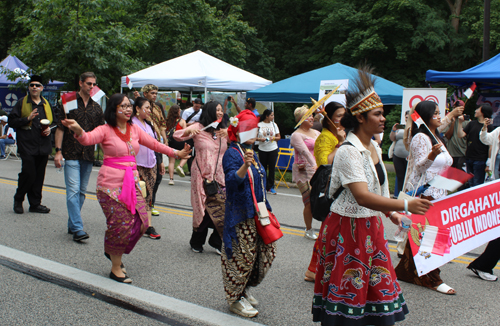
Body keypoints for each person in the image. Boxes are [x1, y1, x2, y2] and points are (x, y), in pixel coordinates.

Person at [312, 66, 432, 325]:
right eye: (378, 114)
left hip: (370, 226)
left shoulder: (375, 147)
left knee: (376, 290)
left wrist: (393, 213)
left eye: (382, 114)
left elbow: (378, 191)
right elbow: (363, 197)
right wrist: (406, 203)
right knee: (348, 293)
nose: (383, 119)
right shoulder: (348, 151)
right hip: (347, 228)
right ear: (361, 118)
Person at [61, 93, 191, 283]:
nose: (128, 109)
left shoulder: (135, 129)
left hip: (132, 183)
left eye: (129, 106)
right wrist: (79, 130)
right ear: (114, 109)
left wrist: (176, 152)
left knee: (143, 223)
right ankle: (115, 266)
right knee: (120, 224)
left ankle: (112, 249)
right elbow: (87, 139)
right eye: (123, 106)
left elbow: (154, 144)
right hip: (109, 185)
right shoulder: (105, 129)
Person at [395, 100, 457, 295]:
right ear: (427, 116)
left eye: (441, 113)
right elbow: (419, 167)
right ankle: (432, 277)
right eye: (436, 113)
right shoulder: (421, 138)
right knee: (429, 236)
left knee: (426, 236)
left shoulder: (436, 136)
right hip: (425, 194)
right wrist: (431, 154)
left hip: (439, 193)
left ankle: (407, 271)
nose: (440, 116)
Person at [221, 109, 276, 318]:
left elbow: (260, 181)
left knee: (266, 253)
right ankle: (235, 298)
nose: (254, 132)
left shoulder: (252, 151)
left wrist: (267, 209)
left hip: (258, 212)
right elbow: (232, 183)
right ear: (239, 131)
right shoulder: (232, 154)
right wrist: (245, 165)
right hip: (240, 214)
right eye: (249, 128)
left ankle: (243, 289)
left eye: (255, 127)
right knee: (242, 257)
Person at [54, 72, 105, 241]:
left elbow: (102, 133)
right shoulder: (68, 101)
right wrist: (58, 151)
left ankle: (72, 223)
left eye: (93, 84)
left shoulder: (96, 107)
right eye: (88, 84)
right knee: (73, 191)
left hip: (88, 154)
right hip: (71, 152)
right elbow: (61, 128)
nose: (91, 87)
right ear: (81, 83)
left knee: (82, 192)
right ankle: (77, 228)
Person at [174, 101, 228, 254]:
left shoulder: (223, 130)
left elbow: (244, 138)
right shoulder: (198, 127)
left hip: (220, 176)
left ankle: (217, 241)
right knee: (202, 209)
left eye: (221, 110)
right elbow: (176, 135)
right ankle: (197, 241)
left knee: (223, 209)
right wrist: (188, 133)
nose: (220, 112)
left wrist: (229, 132)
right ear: (210, 111)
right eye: (217, 110)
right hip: (202, 175)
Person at [304, 101, 345, 282]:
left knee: (333, 232)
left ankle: (326, 268)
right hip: (331, 189)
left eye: (344, 115)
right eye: (338, 116)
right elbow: (324, 164)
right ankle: (314, 269)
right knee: (328, 231)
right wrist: (341, 145)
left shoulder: (340, 134)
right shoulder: (325, 137)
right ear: (329, 118)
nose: (342, 119)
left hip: (343, 186)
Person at [9, 75, 56, 214]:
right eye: (32, 85)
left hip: (43, 145)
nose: (34, 87)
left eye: (37, 85)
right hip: (27, 144)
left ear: (42, 88)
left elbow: (54, 122)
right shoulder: (22, 103)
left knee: (39, 175)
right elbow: (12, 121)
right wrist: (27, 118)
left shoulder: (46, 104)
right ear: (29, 88)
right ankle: (18, 199)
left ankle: (35, 204)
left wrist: (50, 129)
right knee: (28, 173)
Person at [134, 84, 165, 236]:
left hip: (151, 163)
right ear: (137, 109)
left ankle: (148, 226)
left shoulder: (150, 124)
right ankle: (134, 223)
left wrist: (160, 161)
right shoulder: (131, 124)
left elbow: (155, 144)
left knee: (148, 194)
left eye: (149, 108)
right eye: (146, 107)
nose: (149, 110)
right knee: (137, 195)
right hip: (135, 165)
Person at [290, 105, 321, 240]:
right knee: (308, 201)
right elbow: (305, 152)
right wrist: (314, 165)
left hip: (318, 169)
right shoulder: (296, 135)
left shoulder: (316, 132)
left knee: (319, 200)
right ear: (301, 119)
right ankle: (309, 230)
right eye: (308, 115)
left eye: (312, 115)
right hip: (303, 171)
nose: (311, 117)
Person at [456, 104, 494, 187]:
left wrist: (489, 162)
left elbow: (491, 146)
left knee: (477, 184)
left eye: (478, 109)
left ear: (483, 112)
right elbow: (460, 135)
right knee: (470, 183)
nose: (475, 111)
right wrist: (459, 123)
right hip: (469, 158)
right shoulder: (472, 123)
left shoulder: (489, 127)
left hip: (481, 159)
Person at [256, 109, 281, 194]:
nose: (273, 117)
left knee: (272, 168)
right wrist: (260, 139)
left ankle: (270, 186)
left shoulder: (274, 125)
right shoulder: (259, 125)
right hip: (262, 149)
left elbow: (279, 137)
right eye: (271, 115)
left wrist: (273, 138)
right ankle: (263, 185)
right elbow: (254, 137)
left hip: (273, 148)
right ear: (267, 116)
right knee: (263, 168)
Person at [442, 100, 469, 171]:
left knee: (461, 177)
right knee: (450, 177)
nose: (457, 110)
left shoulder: (467, 121)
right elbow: (447, 136)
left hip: (462, 153)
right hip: (451, 153)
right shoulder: (448, 120)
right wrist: (453, 122)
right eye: (455, 108)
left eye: (460, 108)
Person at [165, 105, 187, 185]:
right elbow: (185, 132)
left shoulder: (167, 121)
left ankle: (171, 179)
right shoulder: (182, 121)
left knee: (171, 161)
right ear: (177, 111)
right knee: (186, 155)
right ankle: (180, 166)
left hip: (171, 141)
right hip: (180, 141)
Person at [389, 111, 410, 197]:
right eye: (406, 117)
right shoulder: (400, 127)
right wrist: (393, 130)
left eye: (409, 117)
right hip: (397, 155)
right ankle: (399, 195)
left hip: (408, 156)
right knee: (400, 176)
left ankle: (407, 195)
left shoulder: (415, 127)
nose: (407, 119)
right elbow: (392, 138)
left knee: (407, 178)